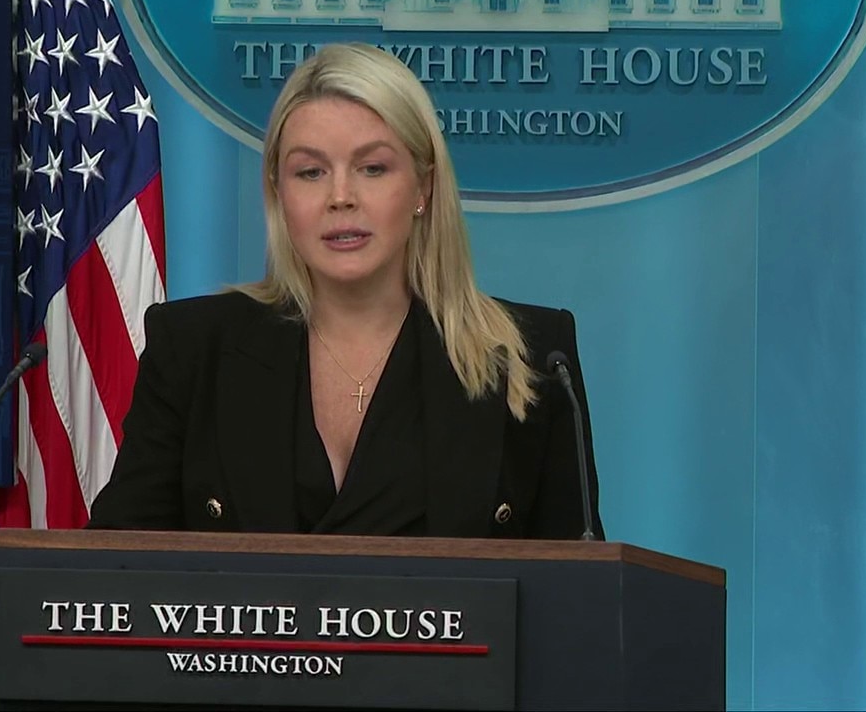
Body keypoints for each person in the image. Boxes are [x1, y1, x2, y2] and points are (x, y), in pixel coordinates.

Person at [86, 43, 604, 539]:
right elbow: (115, 568)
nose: (340, 197)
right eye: (310, 172)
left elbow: (579, 585)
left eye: (372, 168)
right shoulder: (193, 348)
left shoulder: (531, 356)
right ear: (279, 193)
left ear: (423, 187)